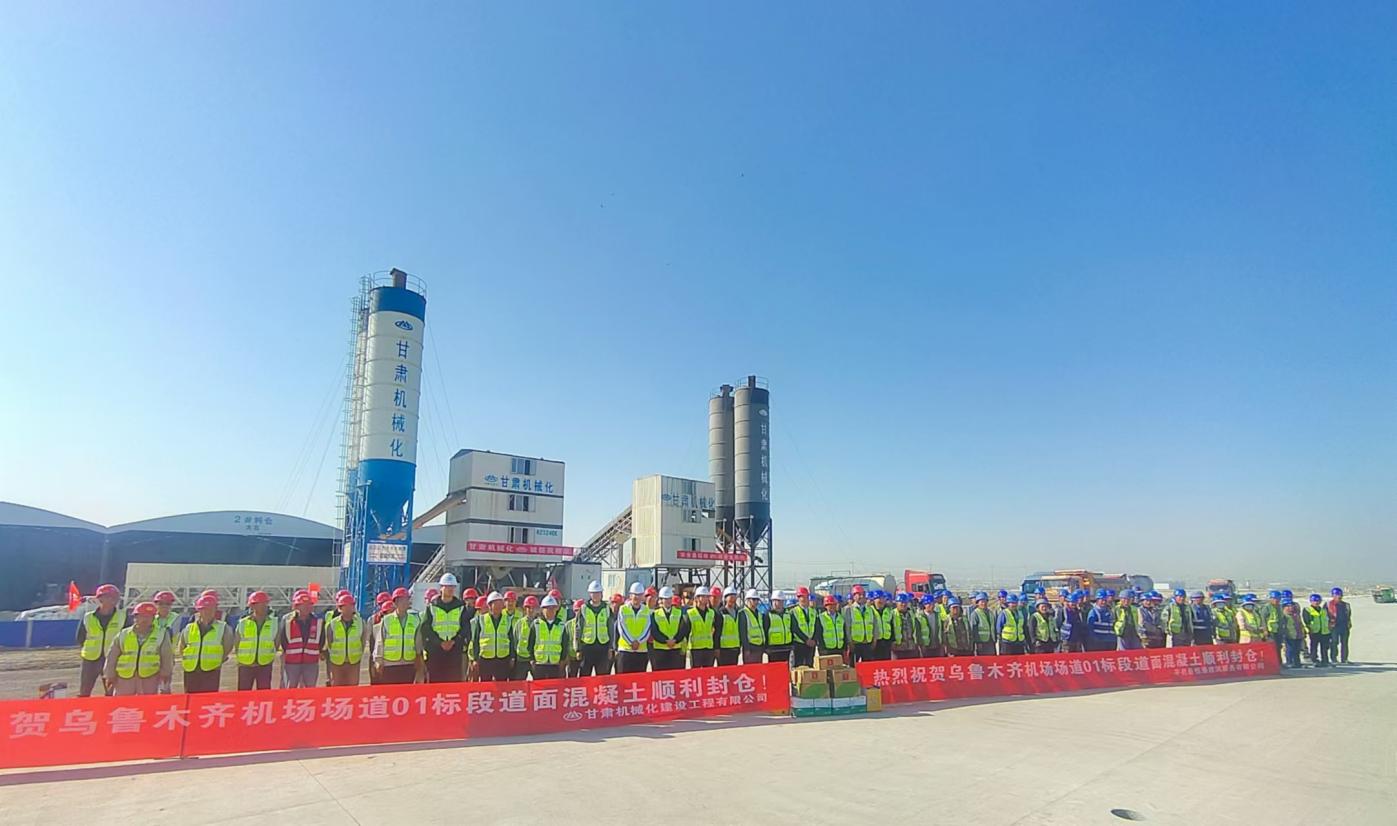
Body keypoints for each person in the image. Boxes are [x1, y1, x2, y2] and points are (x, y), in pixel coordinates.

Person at [103, 601, 172, 696]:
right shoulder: (123, 634)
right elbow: (112, 656)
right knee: (123, 702)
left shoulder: (161, 634)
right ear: (135, 617)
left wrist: (165, 673)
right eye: (142, 616)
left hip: (149, 676)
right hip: (124, 677)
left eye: (149, 616)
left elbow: (167, 656)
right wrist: (110, 674)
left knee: (147, 702)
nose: (145, 619)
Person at [76, 583, 126, 697]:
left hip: (112, 659)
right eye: (108, 597)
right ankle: (83, 708)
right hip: (90, 660)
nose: (111, 600)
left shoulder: (123, 617)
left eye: (114, 598)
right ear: (100, 599)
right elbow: (80, 637)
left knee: (111, 692)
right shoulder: (88, 617)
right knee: (84, 691)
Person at [180, 593, 234, 693]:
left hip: (211, 670)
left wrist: (217, 661)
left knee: (209, 699)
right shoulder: (189, 628)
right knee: (190, 699)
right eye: (204, 609)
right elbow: (182, 647)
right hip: (191, 670)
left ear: (215, 610)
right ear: (199, 610)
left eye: (211, 609)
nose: (208, 612)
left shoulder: (223, 628)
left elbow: (228, 647)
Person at [423, 573, 468, 683]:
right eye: (447, 586)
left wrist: (454, 641)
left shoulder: (460, 607)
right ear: (441, 587)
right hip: (436, 651)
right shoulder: (432, 606)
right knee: (436, 682)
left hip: (454, 651)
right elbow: (426, 628)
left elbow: (465, 627)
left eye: (452, 586)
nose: (450, 589)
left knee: (453, 682)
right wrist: (439, 642)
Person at [372, 588, 423, 685]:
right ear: (395, 603)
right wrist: (378, 660)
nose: (404, 603)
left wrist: (419, 659)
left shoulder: (415, 620)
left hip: (408, 663)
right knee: (390, 691)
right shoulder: (387, 620)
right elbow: (380, 641)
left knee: (406, 691)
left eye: (406, 600)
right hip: (389, 664)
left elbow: (418, 642)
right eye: (401, 601)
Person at [278, 589, 324, 688]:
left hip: (311, 661)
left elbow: (321, 640)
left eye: (309, 604)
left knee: (310, 689)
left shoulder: (318, 621)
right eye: (304, 605)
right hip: (292, 661)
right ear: (296, 606)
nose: (307, 607)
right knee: (291, 687)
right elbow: (283, 639)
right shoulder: (287, 621)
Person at [234, 591, 277, 690]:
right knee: (244, 693)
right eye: (260, 604)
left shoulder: (273, 623)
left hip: (265, 664)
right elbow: (237, 642)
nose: (263, 607)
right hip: (246, 665)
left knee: (264, 693)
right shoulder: (243, 623)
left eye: (265, 603)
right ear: (252, 606)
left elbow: (276, 642)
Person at [324, 592, 368, 686]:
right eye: (345, 606)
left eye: (350, 606)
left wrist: (358, 654)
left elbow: (363, 640)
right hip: (337, 662)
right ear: (340, 608)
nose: (348, 609)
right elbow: (329, 641)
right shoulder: (333, 623)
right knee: (337, 687)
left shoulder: (360, 622)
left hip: (354, 662)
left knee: (353, 688)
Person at [471, 591, 515, 681]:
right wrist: (475, 659)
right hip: (485, 659)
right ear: (490, 605)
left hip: (502, 659)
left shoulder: (507, 620)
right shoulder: (481, 619)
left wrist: (512, 657)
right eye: (496, 604)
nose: (499, 606)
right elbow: (476, 640)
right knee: (486, 684)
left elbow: (511, 640)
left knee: (502, 684)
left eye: (500, 604)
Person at [575, 581, 614, 676]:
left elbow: (611, 629)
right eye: (593, 593)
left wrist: (610, 648)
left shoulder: (607, 609)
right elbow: (578, 629)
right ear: (589, 594)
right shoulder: (584, 608)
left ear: (601, 594)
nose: (596, 595)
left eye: (598, 593)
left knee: (602, 677)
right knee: (585, 676)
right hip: (587, 647)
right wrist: (578, 649)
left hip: (603, 647)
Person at [529, 596, 570, 680]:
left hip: (555, 664)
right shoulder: (536, 624)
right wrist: (532, 660)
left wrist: (562, 660)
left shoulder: (561, 625)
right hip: (539, 664)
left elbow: (565, 644)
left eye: (553, 608)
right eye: (547, 608)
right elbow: (530, 643)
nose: (550, 611)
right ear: (542, 609)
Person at [648, 587, 688, 671]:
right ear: (661, 600)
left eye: (670, 598)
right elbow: (654, 631)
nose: (668, 601)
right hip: (660, 650)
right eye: (666, 599)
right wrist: (665, 641)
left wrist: (675, 640)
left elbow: (682, 629)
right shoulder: (655, 614)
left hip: (675, 649)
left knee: (675, 675)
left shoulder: (679, 612)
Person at [615, 583, 652, 674]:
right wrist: (631, 642)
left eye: (639, 595)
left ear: (642, 596)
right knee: (623, 679)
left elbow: (647, 629)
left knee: (639, 679)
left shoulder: (646, 610)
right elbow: (622, 628)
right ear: (630, 595)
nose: (637, 597)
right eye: (635, 594)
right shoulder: (623, 609)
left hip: (641, 650)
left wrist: (639, 642)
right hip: (625, 650)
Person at [844, 586, 879, 665]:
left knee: (868, 667)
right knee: (853, 666)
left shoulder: (870, 609)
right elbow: (848, 627)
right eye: (859, 595)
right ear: (854, 596)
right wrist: (850, 642)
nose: (861, 596)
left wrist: (874, 640)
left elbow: (875, 626)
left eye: (863, 594)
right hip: (855, 644)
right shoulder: (849, 610)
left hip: (868, 644)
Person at [686, 588, 718, 668]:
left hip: (709, 648)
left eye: (707, 596)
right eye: (703, 596)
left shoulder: (712, 613)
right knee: (696, 673)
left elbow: (716, 630)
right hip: (695, 649)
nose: (705, 598)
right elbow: (686, 632)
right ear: (697, 598)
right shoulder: (690, 613)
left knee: (708, 673)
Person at [511, 596, 541, 680]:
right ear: (524, 609)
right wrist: (513, 657)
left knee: (538, 683)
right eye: (528, 608)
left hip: (536, 659)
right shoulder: (519, 623)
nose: (531, 610)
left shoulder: (540, 623)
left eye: (533, 608)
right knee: (519, 683)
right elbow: (514, 641)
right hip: (521, 659)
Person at [789, 587, 818, 668]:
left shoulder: (813, 611)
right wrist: (806, 640)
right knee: (799, 666)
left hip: (811, 644)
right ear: (798, 598)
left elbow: (816, 627)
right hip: (799, 644)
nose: (804, 599)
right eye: (802, 597)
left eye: (806, 597)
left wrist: (814, 640)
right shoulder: (793, 612)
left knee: (810, 666)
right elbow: (795, 628)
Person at [764, 590, 793, 666]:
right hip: (773, 649)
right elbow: (765, 631)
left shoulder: (788, 614)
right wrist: (766, 647)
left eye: (778, 601)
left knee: (785, 669)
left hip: (786, 647)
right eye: (773, 601)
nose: (775, 603)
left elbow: (791, 629)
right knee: (774, 669)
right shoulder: (768, 615)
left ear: (783, 602)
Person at [1303, 594, 1332, 668]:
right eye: (1314, 601)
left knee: (1324, 647)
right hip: (1314, 631)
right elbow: (1306, 621)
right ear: (1311, 601)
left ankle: (1325, 661)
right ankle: (1314, 660)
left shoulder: (1323, 610)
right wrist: (1309, 629)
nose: (1316, 602)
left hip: (1324, 631)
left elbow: (1327, 620)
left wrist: (1329, 629)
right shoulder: (1307, 610)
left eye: (1318, 601)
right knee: (1314, 647)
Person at [738, 589, 767, 665]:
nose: (756, 602)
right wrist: (746, 648)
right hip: (750, 647)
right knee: (750, 669)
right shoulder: (743, 613)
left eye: (757, 599)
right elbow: (742, 633)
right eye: (753, 599)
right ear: (747, 600)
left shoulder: (759, 614)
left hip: (759, 647)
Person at [814, 595, 846, 661]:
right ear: (825, 606)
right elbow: (818, 634)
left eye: (833, 604)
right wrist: (822, 648)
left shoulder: (841, 618)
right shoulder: (821, 618)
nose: (831, 607)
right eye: (829, 605)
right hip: (826, 650)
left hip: (839, 649)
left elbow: (844, 633)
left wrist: (844, 647)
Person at [716, 586, 742, 666]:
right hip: (724, 649)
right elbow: (717, 632)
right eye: (731, 597)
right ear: (725, 599)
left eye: (734, 597)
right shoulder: (720, 613)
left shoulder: (738, 613)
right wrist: (717, 648)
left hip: (735, 648)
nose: (733, 599)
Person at [1328, 588, 1352, 664]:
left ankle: (1344, 659)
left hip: (1344, 626)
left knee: (1344, 643)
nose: (1338, 597)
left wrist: (1349, 623)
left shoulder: (1346, 605)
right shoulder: (1328, 605)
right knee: (1334, 642)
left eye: (1340, 595)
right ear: (1333, 595)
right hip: (1334, 627)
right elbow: (1325, 616)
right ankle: (1334, 658)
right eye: (1336, 595)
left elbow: (1348, 615)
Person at [1279, 599, 1305, 669]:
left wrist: (1302, 632)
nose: (1290, 607)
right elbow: (1282, 626)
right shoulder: (1283, 616)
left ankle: (1297, 662)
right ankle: (1289, 662)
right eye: (1288, 606)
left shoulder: (1296, 615)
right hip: (1289, 635)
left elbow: (1300, 624)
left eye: (1291, 606)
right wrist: (1284, 635)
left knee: (1297, 649)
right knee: (1290, 650)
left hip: (1297, 635)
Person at [871, 591, 895, 661]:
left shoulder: (888, 610)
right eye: (878, 599)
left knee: (887, 663)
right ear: (874, 600)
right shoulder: (870, 611)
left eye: (883, 598)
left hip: (887, 641)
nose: (881, 601)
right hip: (875, 642)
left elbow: (892, 625)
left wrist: (892, 640)